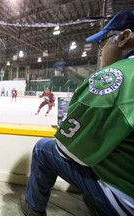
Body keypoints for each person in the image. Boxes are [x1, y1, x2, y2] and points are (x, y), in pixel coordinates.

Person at [20, 7, 134, 216]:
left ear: (125, 36)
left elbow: (67, 149)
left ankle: (33, 207)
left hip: (126, 200)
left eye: (103, 42)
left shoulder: (116, 76)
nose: (100, 50)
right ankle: (93, 200)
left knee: (44, 149)